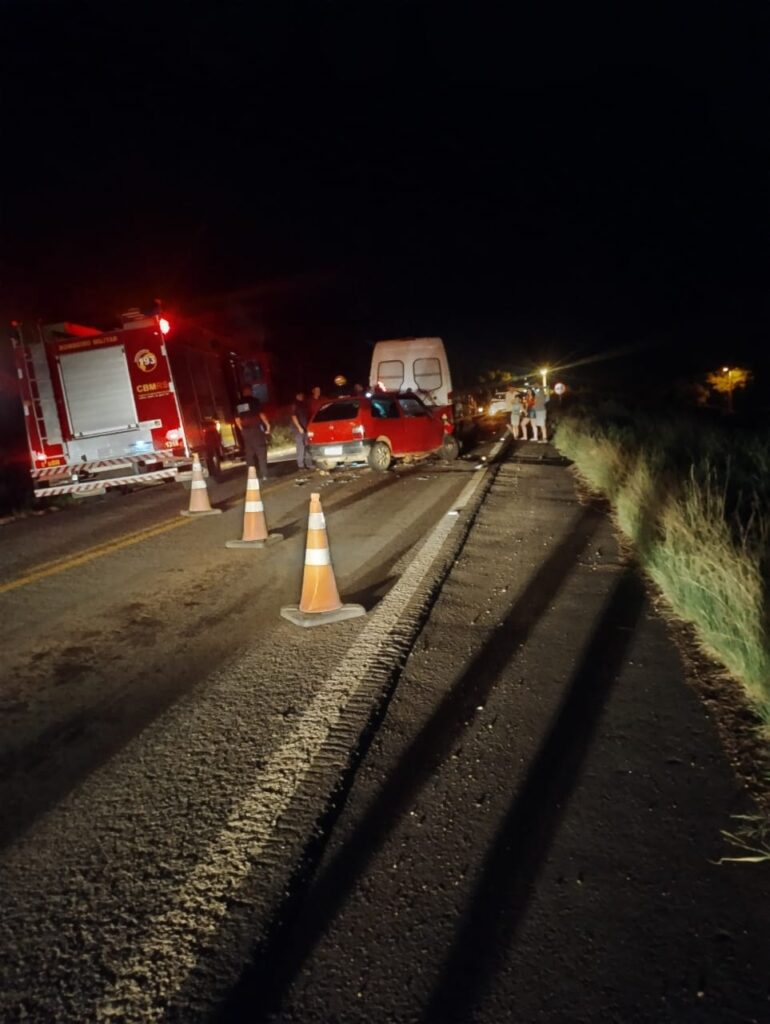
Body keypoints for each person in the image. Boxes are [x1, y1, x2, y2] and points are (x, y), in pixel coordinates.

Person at [235, 387, 271, 481]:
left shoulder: (238, 404)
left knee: (249, 453)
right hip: (256, 429)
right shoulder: (255, 401)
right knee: (261, 451)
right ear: (250, 391)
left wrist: (242, 429)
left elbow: (237, 419)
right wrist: (267, 425)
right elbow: (261, 414)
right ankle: (264, 475)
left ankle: (251, 476)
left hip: (246, 431)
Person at [290, 390, 312, 470]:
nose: (302, 396)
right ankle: (301, 465)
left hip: (305, 428)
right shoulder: (295, 404)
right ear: (297, 395)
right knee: (300, 446)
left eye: (302, 395)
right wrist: (299, 427)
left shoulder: (304, 404)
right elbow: (293, 416)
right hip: (298, 429)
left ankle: (309, 464)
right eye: (300, 395)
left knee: (307, 445)